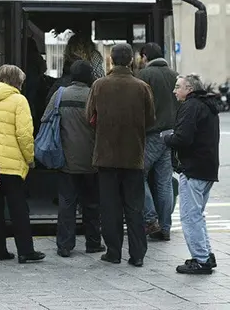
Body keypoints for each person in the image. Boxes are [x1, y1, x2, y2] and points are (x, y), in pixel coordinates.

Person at [86, 43, 155, 267]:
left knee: (110, 207)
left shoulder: (99, 85)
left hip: (106, 156)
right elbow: (151, 120)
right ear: (131, 61)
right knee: (134, 207)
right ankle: (137, 254)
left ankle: (113, 252)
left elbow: (89, 116)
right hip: (133, 155)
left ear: (111, 60)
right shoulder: (142, 87)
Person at [0, 64, 45, 264]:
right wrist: (30, 158)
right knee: (18, 209)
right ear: (16, 81)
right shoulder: (19, 100)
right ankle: (25, 250)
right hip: (11, 165)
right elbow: (24, 134)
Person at [43, 60, 104, 257]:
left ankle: (65, 246)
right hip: (92, 161)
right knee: (92, 205)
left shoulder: (60, 94)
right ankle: (93, 243)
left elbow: (46, 118)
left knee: (66, 204)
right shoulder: (95, 96)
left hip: (66, 160)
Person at [164, 74, 220, 274]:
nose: (174, 90)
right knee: (197, 215)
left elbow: (183, 138)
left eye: (178, 87)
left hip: (193, 168)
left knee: (189, 216)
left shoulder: (191, 106)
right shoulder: (208, 106)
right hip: (207, 168)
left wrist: (167, 138)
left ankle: (201, 260)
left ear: (189, 89)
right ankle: (206, 254)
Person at [137, 43, 179, 241]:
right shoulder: (174, 75)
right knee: (164, 182)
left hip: (152, 135)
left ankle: (151, 219)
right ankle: (165, 227)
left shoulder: (144, 76)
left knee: (137, 175)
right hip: (171, 135)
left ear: (145, 56)